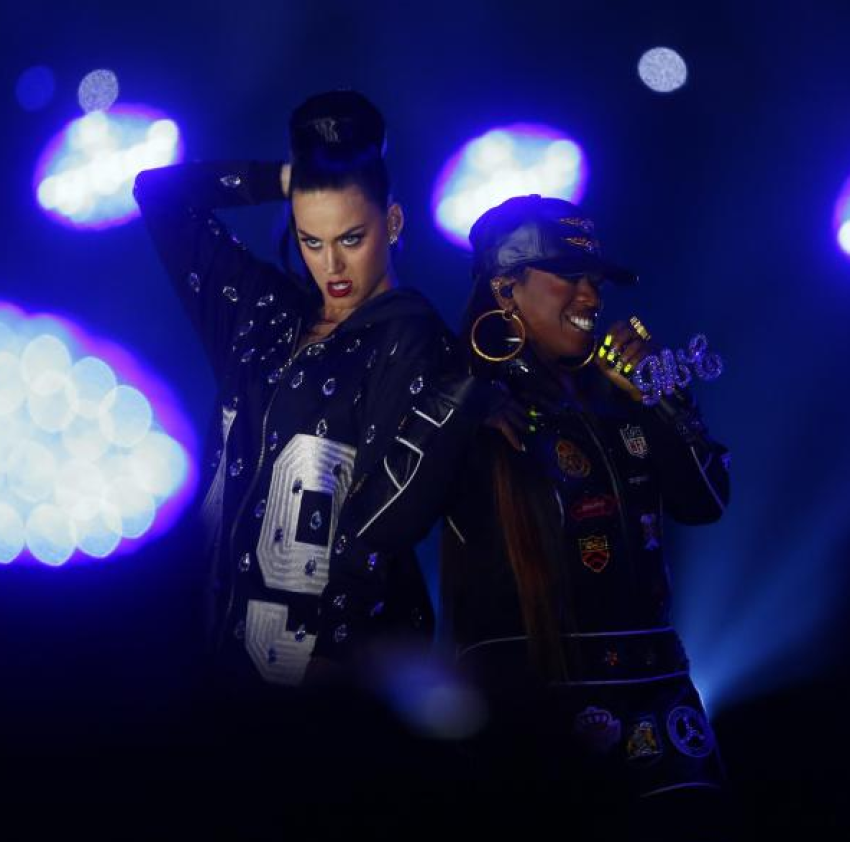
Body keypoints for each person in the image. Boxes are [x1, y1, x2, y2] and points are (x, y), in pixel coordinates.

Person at [133, 90, 493, 699]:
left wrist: (332, 659)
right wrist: (285, 177)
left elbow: (377, 531)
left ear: (394, 222)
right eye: (312, 240)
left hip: (331, 678)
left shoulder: (412, 338)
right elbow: (158, 192)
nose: (332, 266)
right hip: (217, 660)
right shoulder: (263, 315)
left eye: (351, 238)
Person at [434, 195, 730, 838]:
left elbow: (705, 504)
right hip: (530, 706)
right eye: (569, 276)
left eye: (596, 279)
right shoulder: (458, 398)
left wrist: (665, 400)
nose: (592, 296)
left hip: (659, 693)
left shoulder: (620, 393)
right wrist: (461, 405)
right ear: (504, 286)